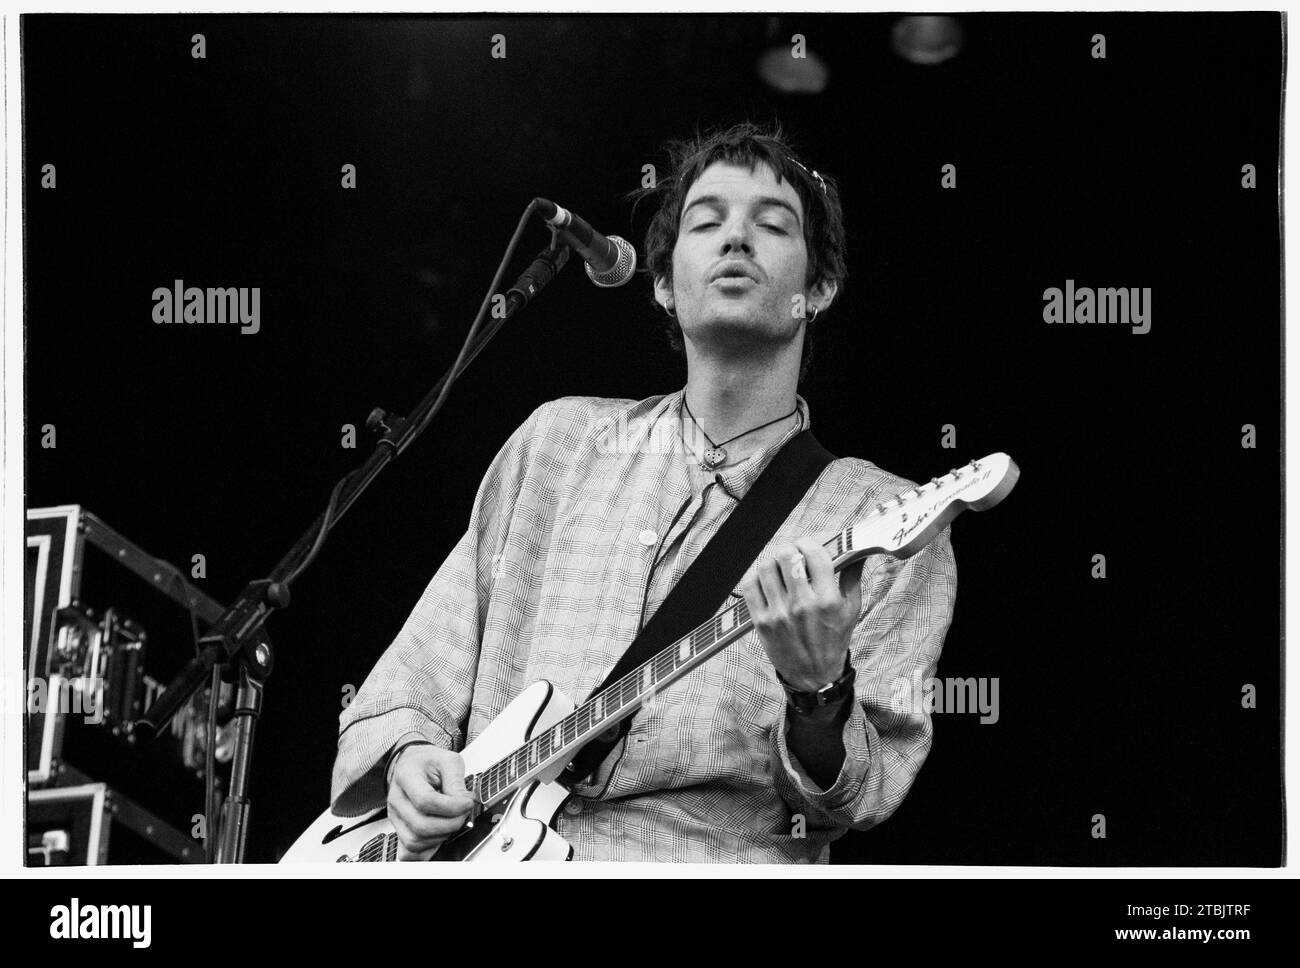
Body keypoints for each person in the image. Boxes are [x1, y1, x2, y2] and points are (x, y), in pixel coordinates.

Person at [329, 122, 958, 863]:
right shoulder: (557, 443)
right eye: (707, 220)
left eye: (772, 223)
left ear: (818, 288)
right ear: (662, 283)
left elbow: (858, 792)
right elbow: (417, 677)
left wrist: (818, 692)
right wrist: (407, 759)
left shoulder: (883, 518)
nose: (736, 238)